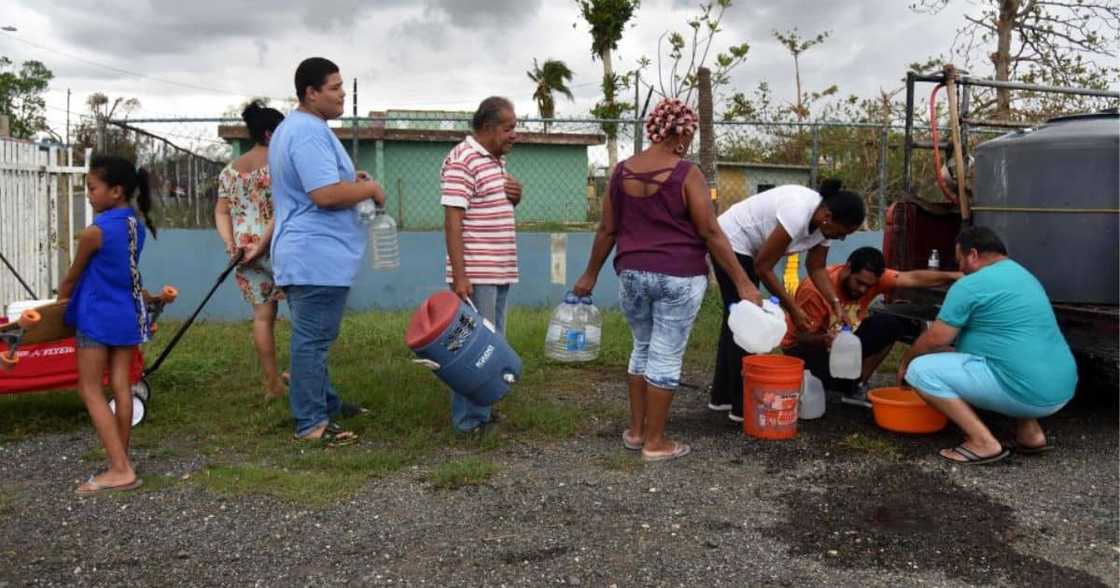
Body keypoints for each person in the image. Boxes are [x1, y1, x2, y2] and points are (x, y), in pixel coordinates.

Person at [573, 98, 761, 462]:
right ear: (681, 133)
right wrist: (743, 282)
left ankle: (637, 431)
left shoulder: (621, 172)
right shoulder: (686, 173)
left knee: (641, 348)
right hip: (679, 275)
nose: (688, 145)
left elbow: (607, 229)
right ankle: (656, 443)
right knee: (666, 355)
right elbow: (709, 230)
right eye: (689, 137)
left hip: (632, 274)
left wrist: (590, 274)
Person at [268, 57, 386, 445]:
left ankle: (325, 401)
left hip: (308, 254)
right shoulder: (307, 132)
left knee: (313, 335)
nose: (341, 96)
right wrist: (368, 190)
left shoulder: (299, 128)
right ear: (311, 92)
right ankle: (311, 423)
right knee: (313, 340)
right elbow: (324, 195)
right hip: (315, 256)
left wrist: (353, 180)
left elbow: (322, 184)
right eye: (334, 89)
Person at [899, 226, 1077, 465]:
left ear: (973, 254)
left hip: (1024, 390)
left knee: (920, 370)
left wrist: (906, 361)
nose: (960, 267)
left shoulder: (970, 284)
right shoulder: (1024, 275)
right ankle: (1031, 434)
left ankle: (982, 442)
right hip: (1061, 387)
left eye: (959, 259)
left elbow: (936, 339)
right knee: (1010, 354)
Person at [710, 180, 865, 422]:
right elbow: (763, 266)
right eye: (843, 232)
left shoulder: (823, 227)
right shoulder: (798, 211)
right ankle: (741, 407)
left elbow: (816, 268)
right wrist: (792, 308)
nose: (842, 239)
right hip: (731, 241)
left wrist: (835, 303)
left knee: (736, 320)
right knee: (746, 321)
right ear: (828, 216)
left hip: (751, 250)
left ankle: (721, 398)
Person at [58, 156, 157, 495]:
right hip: (127, 314)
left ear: (115, 191)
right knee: (120, 386)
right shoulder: (135, 226)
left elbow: (73, 276)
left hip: (97, 316)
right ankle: (122, 461)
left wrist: (58, 305)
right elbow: (127, 274)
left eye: (92, 188)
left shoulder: (95, 232)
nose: (88, 194)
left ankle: (119, 469)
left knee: (89, 390)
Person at [781, 246, 961, 406]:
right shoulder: (815, 290)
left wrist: (955, 276)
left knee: (890, 324)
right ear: (848, 268)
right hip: (804, 349)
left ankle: (858, 385)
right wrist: (824, 340)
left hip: (841, 344)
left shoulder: (872, 279)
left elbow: (912, 278)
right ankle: (835, 385)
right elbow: (799, 338)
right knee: (828, 391)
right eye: (859, 283)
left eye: (869, 286)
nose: (863, 290)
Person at [440, 96, 524, 434]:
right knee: (472, 350)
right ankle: (469, 421)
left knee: (491, 347)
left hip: (499, 269)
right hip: (476, 274)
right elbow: (452, 220)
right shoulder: (462, 160)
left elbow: (491, 207)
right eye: (509, 128)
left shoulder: (494, 160)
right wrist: (461, 277)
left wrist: (515, 198)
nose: (514, 134)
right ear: (488, 128)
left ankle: (482, 410)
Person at [215, 100, 287, 399]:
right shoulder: (282, 164)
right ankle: (302, 373)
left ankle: (272, 383)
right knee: (308, 314)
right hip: (281, 245)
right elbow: (283, 209)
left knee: (262, 316)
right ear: (271, 134)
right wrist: (264, 243)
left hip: (244, 251)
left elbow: (221, 212)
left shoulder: (230, 171)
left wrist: (231, 243)